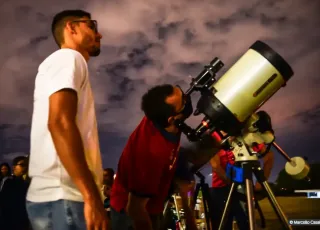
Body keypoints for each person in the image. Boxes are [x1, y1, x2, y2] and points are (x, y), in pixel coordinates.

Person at [26, 9, 108, 230]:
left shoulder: (64, 62)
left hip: (58, 198)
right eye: (92, 26)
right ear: (71, 27)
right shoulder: (68, 57)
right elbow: (60, 123)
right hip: (67, 198)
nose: (99, 34)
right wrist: (91, 197)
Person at [110, 84, 197, 230]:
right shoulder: (151, 155)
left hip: (151, 202)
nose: (187, 98)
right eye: (183, 101)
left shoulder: (158, 116)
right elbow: (135, 209)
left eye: (181, 92)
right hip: (131, 215)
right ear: (172, 119)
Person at [209, 131, 274, 230]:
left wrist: (260, 183)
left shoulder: (246, 135)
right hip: (221, 190)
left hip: (243, 188)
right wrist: (233, 184)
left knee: (247, 225)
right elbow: (215, 165)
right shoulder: (214, 136)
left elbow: (269, 156)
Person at [0, 156, 31, 230]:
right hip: (10, 222)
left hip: (25, 221)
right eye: (22, 165)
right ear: (13, 167)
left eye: (26, 165)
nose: (25, 167)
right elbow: (3, 203)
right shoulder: (9, 182)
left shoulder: (29, 182)